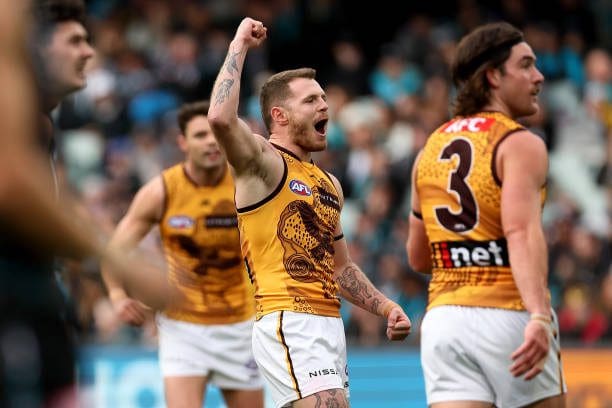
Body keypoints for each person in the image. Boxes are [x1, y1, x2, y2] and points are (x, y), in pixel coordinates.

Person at [207, 17, 411, 408]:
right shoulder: (263, 162)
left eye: (324, 98)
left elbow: (340, 268)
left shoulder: (328, 183)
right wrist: (239, 44)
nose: (325, 105)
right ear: (280, 115)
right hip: (288, 316)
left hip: (328, 325)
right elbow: (219, 118)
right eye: (311, 100)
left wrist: (385, 306)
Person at [0, 2, 172, 407]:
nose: (89, 53)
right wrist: (123, 264)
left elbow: (61, 208)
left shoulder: (40, 124)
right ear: (36, 46)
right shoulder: (20, 110)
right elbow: (14, 188)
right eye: (75, 41)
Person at [406, 22, 567, 408]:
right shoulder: (519, 142)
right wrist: (540, 317)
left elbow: (418, 257)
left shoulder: (430, 147)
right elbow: (521, 231)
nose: (538, 76)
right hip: (509, 312)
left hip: (444, 321)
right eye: (526, 65)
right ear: (493, 76)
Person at [101, 100, 265, 408]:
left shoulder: (245, 184)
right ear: (182, 142)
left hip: (242, 324)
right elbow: (115, 251)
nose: (210, 143)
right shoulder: (161, 191)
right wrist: (117, 296)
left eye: (215, 134)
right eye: (200, 135)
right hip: (183, 327)